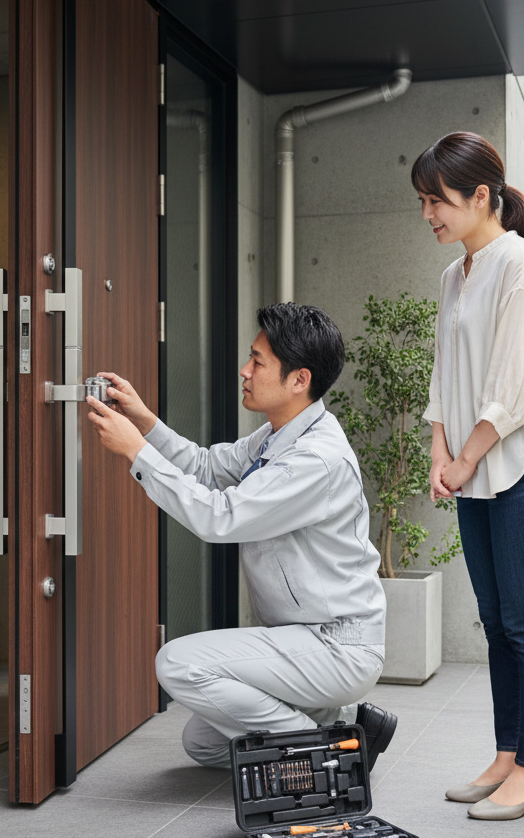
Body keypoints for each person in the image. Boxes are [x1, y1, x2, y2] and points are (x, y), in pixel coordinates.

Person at [84, 302, 398, 772]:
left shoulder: (313, 459)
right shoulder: (280, 434)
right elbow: (209, 467)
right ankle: (343, 723)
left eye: (258, 362)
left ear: (299, 379)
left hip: (336, 644)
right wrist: (145, 422)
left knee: (177, 664)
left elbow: (220, 519)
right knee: (205, 744)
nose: (244, 371)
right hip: (301, 639)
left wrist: (137, 453)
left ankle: (326, 754)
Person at [414, 132, 524, 821]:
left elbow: (513, 385)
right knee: (496, 621)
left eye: (437, 200)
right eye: (423, 202)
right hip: (472, 468)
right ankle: (509, 755)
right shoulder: (455, 275)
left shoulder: (522, 266)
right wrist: (437, 453)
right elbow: (443, 376)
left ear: (481, 195)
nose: (429, 215)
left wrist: (467, 454)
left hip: (520, 470)